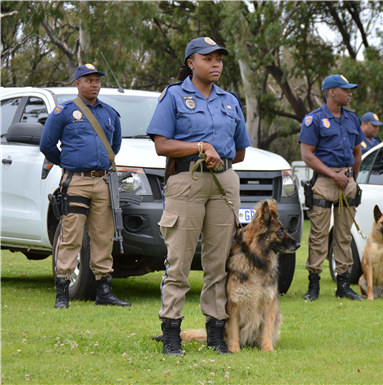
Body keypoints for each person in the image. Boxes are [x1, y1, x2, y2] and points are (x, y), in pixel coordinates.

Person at [147, 37, 251, 356]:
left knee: (219, 263)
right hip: (186, 181)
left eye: (219, 58)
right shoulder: (175, 96)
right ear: (191, 62)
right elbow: (162, 144)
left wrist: (221, 156)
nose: (216, 63)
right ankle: (172, 333)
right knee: (179, 261)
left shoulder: (230, 100)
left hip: (224, 183)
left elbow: (241, 151)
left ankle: (216, 332)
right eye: (208, 58)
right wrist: (200, 147)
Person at [40, 64, 130, 309]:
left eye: (97, 80)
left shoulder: (110, 113)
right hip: (76, 181)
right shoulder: (63, 112)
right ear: (77, 83)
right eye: (88, 80)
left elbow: (115, 146)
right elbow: (47, 145)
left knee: (103, 236)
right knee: (71, 235)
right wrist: (68, 163)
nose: (94, 84)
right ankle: (62, 291)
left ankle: (104, 292)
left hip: (102, 181)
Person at [299, 74, 365, 301]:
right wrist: (332, 175)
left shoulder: (352, 118)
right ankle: (314, 284)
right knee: (318, 235)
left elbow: (358, 152)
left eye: (350, 90)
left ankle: (343, 285)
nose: (349, 93)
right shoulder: (314, 119)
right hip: (325, 181)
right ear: (331, 92)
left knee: (344, 235)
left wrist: (352, 178)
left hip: (346, 181)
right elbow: (307, 154)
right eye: (345, 90)